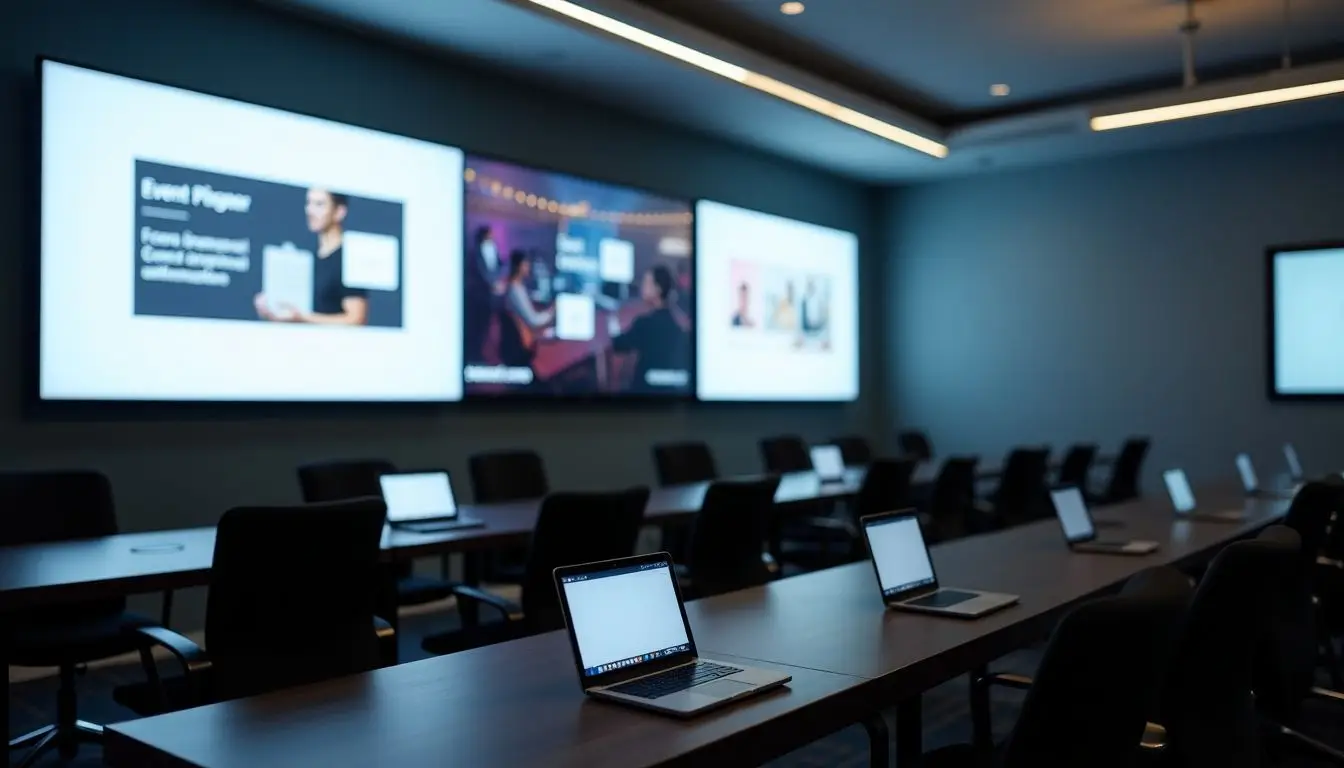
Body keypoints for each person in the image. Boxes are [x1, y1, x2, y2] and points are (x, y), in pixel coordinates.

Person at [254, 188, 368, 325]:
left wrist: (303, 317)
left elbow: (355, 319)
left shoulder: (350, 259)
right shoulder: (308, 259)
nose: (310, 211)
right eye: (309, 203)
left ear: (339, 212)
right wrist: (271, 310)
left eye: (319, 204)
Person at [611, 264, 688, 393]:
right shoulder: (676, 324)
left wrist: (612, 324)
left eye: (646, 282)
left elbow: (618, 345)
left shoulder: (645, 323)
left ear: (657, 289)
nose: (642, 287)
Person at [498, 251, 554, 371]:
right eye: (526, 264)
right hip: (520, 346)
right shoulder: (515, 290)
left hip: (520, 340)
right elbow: (533, 320)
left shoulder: (517, 287)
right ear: (519, 266)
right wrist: (552, 312)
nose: (529, 268)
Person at [465, 224, 505, 360]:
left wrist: (499, 282)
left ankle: (481, 353)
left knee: (486, 327)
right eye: (490, 234)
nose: (492, 236)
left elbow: (499, 266)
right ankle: (473, 354)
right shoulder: (474, 252)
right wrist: (491, 284)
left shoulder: (494, 250)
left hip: (490, 298)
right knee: (476, 327)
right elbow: (480, 272)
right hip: (477, 297)